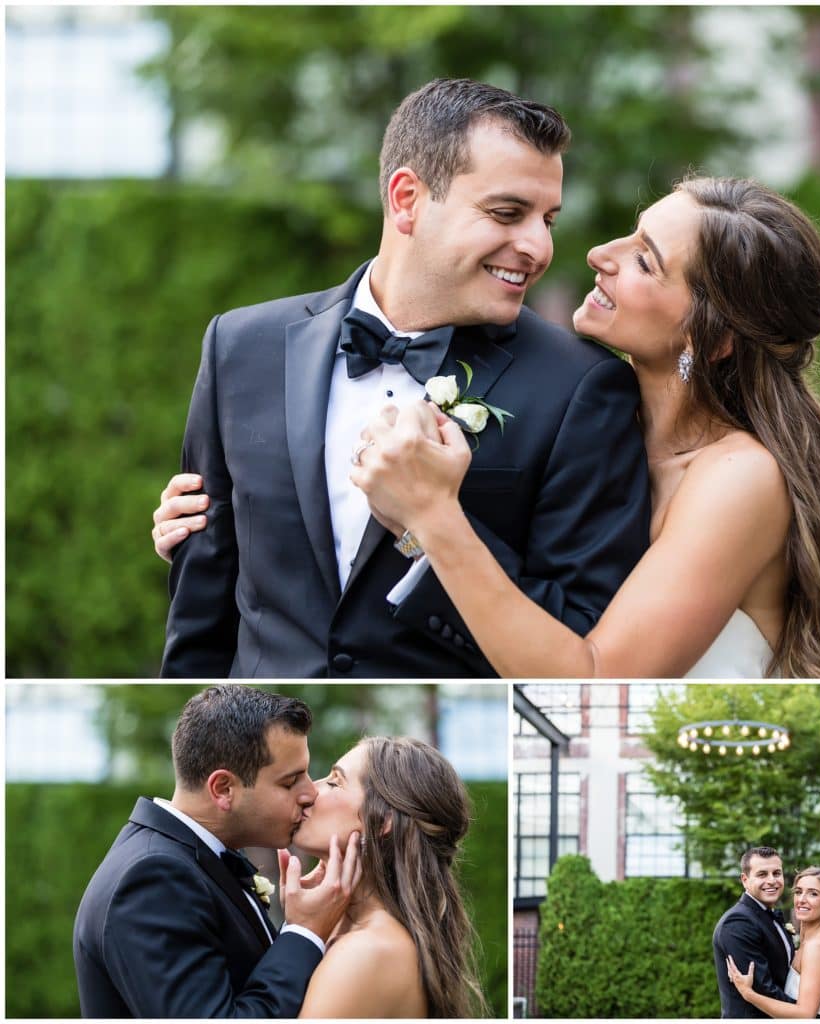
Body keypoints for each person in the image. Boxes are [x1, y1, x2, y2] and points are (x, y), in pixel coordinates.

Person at [156, 77, 649, 678]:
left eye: (548, 218)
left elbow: (580, 633)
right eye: (507, 213)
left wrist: (429, 530)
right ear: (407, 198)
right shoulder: (240, 345)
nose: (538, 247)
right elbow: (204, 601)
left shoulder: (583, 387)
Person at [342, 176, 820, 677]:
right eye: (632, 233)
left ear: (711, 339)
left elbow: (598, 679)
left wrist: (432, 516)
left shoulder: (740, 477)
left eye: (645, 261)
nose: (600, 255)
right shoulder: (590, 433)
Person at [73, 684, 362, 1018]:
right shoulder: (154, 880)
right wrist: (304, 932)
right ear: (224, 789)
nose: (310, 792)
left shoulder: (190, 858)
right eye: (289, 782)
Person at [291, 735, 486, 1018]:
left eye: (335, 782)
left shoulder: (368, 952)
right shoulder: (346, 929)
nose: (310, 791)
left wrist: (300, 932)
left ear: (382, 821)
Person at [726, 866, 820, 1019]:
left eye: (813, 894)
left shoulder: (818, 946)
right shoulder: (807, 944)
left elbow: (805, 1014)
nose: (801, 900)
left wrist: (748, 994)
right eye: (798, 892)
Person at [712, 847, 799, 1019]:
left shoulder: (768, 916)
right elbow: (764, 989)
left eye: (776, 873)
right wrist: (816, 1017)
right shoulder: (737, 923)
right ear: (745, 880)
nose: (772, 880)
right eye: (762, 874)